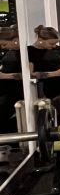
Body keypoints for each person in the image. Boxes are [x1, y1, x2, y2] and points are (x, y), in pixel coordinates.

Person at [28, 25, 60, 98]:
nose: (54, 46)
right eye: (51, 43)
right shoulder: (31, 51)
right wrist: (55, 73)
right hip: (53, 87)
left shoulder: (57, 49)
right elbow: (31, 74)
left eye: (56, 43)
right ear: (40, 40)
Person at [0, 27, 22, 160]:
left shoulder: (14, 55)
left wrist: (3, 76)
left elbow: (23, 75)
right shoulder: (12, 54)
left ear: (14, 40)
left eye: (4, 44)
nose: (3, 47)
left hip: (12, 93)